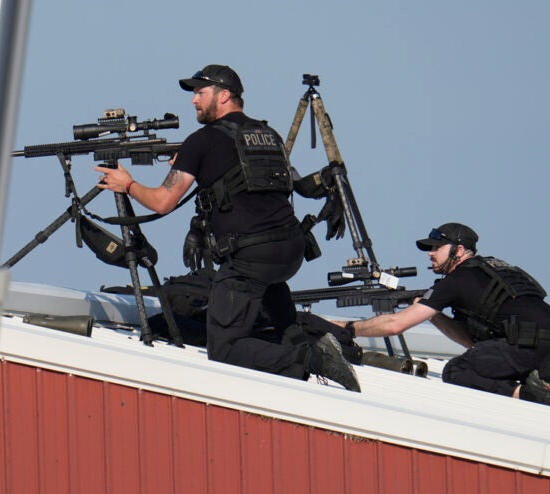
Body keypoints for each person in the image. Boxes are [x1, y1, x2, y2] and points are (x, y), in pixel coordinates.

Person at [95, 64, 360, 392]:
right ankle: (309, 347)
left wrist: (128, 184)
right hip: (289, 250)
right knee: (279, 317)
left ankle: (314, 360)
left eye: (199, 93)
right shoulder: (268, 134)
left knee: (224, 349)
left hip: (250, 257)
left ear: (223, 96)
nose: (193, 100)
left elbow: (163, 201)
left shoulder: (202, 141)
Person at [335, 222, 550, 413]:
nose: (430, 254)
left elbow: (396, 324)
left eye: (436, 247)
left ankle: (531, 395)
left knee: (458, 371)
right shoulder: (497, 270)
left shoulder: (457, 280)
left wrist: (349, 329)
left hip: (526, 345)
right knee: (526, 369)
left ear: (459, 250)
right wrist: (434, 316)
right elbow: (473, 343)